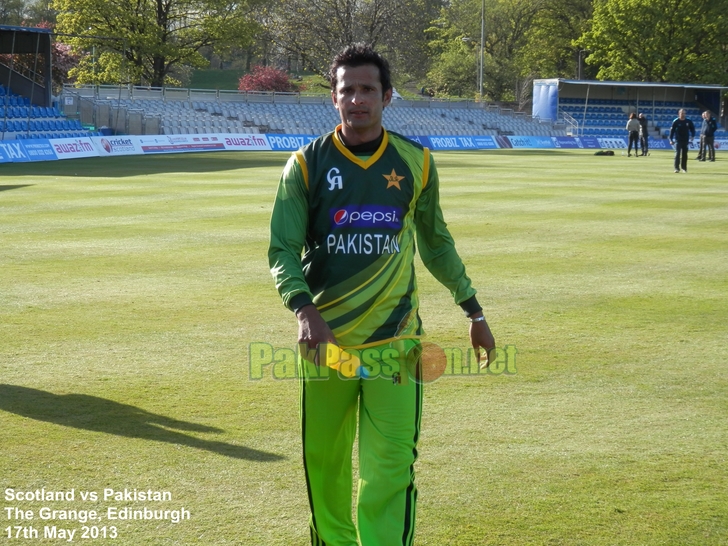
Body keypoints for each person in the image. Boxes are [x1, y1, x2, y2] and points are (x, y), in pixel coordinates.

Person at [268, 43, 495, 546]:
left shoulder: (416, 162)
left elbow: (436, 244)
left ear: (387, 96)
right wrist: (304, 309)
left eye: (367, 89)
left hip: (396, 345)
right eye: (346, 90)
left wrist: (473, 309)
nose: (357, 99)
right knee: (325, 469)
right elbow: (281, 249)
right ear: (333, 98)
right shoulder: (305, 165)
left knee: (390, 470)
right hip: (327, 345)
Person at [669, 108, 695, 173]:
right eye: (681, 113)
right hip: (678, 140)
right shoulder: (676, 121)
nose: (682, 114)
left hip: (686, 140)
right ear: (679, 114)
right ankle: (676, 168)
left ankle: (684, 168)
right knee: (677, 153)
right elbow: (672, 131)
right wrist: (671, 139)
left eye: (684, 113)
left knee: (685, 154)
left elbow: (693, 129)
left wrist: (692, 136)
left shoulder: (688, 121)